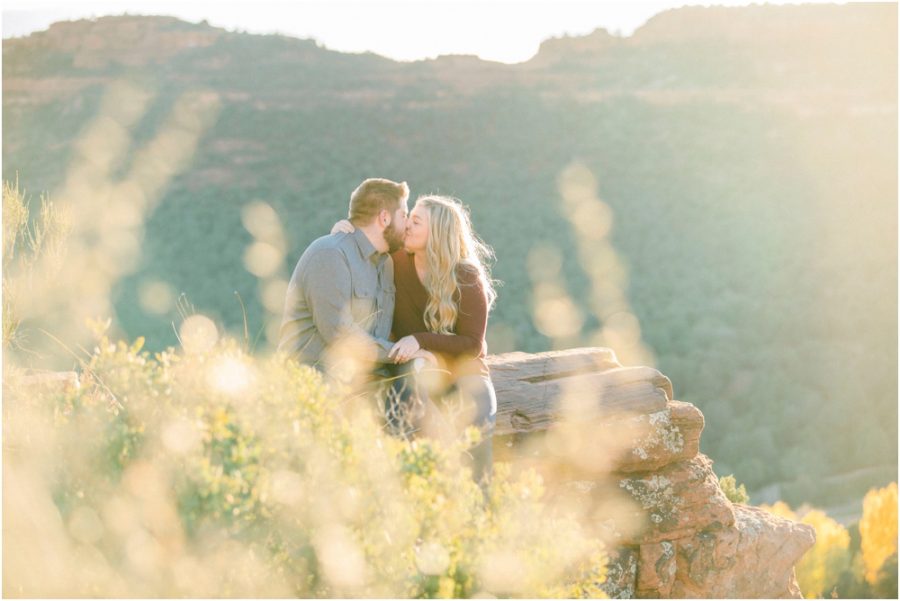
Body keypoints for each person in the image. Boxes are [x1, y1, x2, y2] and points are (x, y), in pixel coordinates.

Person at [332, 195, 498, 486]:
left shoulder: (466, 276)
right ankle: (430, 492)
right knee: (409, 409)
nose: (406, 225)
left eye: (416, 221)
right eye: (409, 218)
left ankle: (479, 505)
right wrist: (344, 235)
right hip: (415, 368)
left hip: (464, 371)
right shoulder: (395, 262)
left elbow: (472, 344)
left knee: (478, 423)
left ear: (438, 232)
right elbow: (359, 258)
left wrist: (420, 341)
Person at [278, 178, 435, 374]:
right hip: (314, 384)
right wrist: (401, 353)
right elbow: (340, 335)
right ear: (384, 218)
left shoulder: (387, 263)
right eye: (403, 215)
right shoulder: (331, 255)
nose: (408, 224)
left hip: (366, 384)